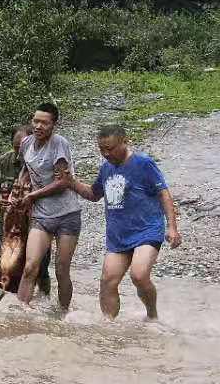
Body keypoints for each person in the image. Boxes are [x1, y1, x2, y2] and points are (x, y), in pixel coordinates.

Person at [65, 125, 182, 320]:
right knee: (107, 281)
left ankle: (152, 315)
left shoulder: (143, 163)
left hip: (147, 230)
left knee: (138, 275)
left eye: (110, 148)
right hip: (118, 235)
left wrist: (172, 227)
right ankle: (109, 324)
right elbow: (94, 194)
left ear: (124, 142)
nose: (105, 154)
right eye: (101, 149)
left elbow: (164, 193)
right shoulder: (106, 168)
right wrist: (71, 182)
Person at [16, 102, 82, 311]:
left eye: (45, 123)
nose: (38, 126)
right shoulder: (26, 143)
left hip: (67, 214)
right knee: (29, 267)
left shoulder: (59, 144)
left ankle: (64, 314)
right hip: (42, 216)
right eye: (36, 121)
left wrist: (33, 195)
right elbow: (27, 168)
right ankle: (21, 312)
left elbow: (63, 182)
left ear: (54, 125)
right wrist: (21, 185)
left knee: (61, 270)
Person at [0, 125, 50, 295]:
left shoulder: (43, 163)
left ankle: (44, 298)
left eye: (22, 147)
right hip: (7, 221)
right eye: (16, 148)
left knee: (39, 262)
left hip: (35, 220)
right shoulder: (4, 161)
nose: (19, 152)